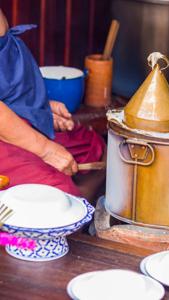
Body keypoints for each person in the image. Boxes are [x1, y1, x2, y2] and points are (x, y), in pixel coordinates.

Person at [0, 9, 105, 196]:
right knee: (59, 194)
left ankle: (82, 210)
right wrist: (45, 150)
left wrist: (38, 105)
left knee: (94, 149)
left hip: (15, 117)